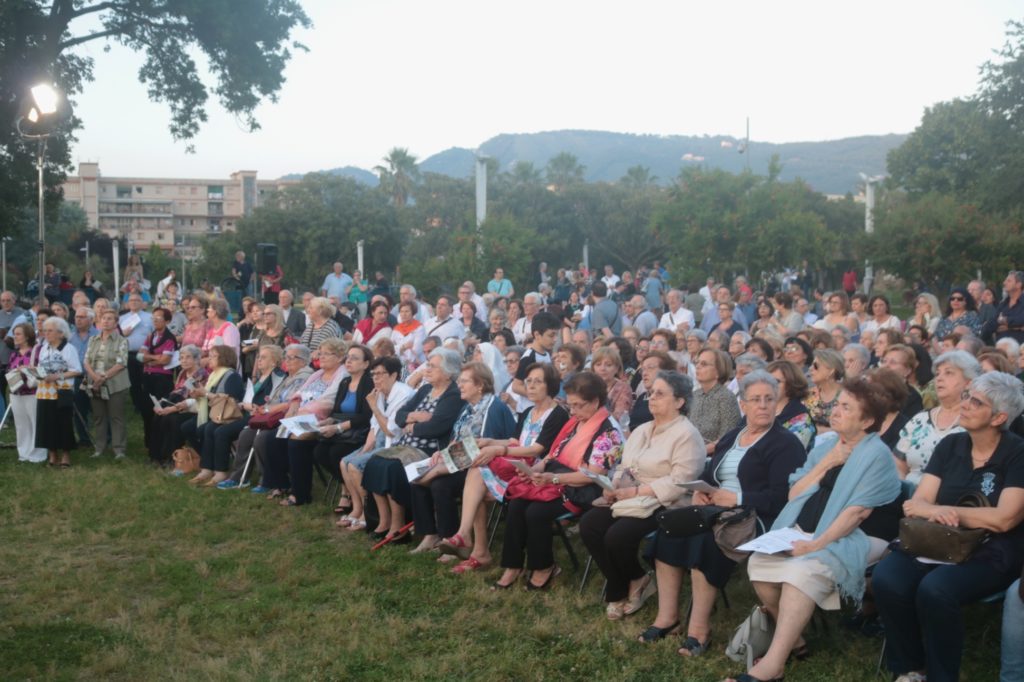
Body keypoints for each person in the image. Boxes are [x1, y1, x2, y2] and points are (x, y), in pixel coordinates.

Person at [726, 378, 900, 682]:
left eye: (846, 407)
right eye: (838, 403)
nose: (836, 410)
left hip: (857, 536)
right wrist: (827, 463)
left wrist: (817, 544)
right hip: (807, 529)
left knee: (800, 572)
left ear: (868, 420)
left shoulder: (876, 454)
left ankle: (772, 666)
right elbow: (795, 494)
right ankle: (795, 640)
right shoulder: (828, 445)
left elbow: (856, 513)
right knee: (759, 564)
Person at [873, 372, 1024, 682]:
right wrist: (935, 510)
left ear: (999, 417)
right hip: (936, 540)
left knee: (936, 589)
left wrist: (943, 510)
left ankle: (943, 676)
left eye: (976, 402)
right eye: (967, 395)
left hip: (992, 551)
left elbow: (1005, 519)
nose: (965, 404)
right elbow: (918, 503)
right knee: (886, 578)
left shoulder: (1017, 454)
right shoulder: (951, 444)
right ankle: (912, 667)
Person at [642, 371, 806, 649]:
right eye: (756, 399)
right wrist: (701, 490)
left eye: (769, 399)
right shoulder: (734, 435)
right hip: (717, 508)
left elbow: (783, 497)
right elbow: (712, 471)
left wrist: (737, 497)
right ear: (743, 404)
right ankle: (668, 618)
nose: (763, 405)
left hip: (758, 517)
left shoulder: (785, 443)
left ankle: (699, 629)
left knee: (704, 542)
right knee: (669, 531)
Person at [581, 371, 705, 619]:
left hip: (665, 503)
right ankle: (634, 580)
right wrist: (613, 486)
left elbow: (680, 482)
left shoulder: (687, 435)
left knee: (617, 535)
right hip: (631, 496)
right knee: (590, 525)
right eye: (650, 393)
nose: (652, 398)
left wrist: (635, 491)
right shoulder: (642, 430)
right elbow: (624, 467)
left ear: (680, 401)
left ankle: (620, 589)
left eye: (660, 394)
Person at [495, 371, 624, 590]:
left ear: (595, 402)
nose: (572, 411)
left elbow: (593, 476)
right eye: (571, 405)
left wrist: (552, 478)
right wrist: (538, 467)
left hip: (586, 490)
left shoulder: (609, 431)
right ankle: (513, 565)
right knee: (517, 503)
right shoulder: (576, 421)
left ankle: (544, 567)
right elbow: (554, 452)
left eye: (578, 405)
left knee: (536, 512)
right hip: (558, 480)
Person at [439, 362, 570, 570]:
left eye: (538, 382)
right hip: (516, 465)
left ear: (550, 385)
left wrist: (498, 450)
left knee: (475, 472)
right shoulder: (528, 411)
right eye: (529, 381)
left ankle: (472, 544)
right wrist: (490, 442)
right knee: (476, 469)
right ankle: (472, 545)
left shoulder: (558, 414)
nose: (531, 386)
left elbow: (536, 449)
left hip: (534, 473)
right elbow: (515, 442)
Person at [409, 361, 517, 555]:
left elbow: (480, 450)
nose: (459, 385)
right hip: (464, 463)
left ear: (480, 385)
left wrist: (444, 466)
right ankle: (431, 535)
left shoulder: (492, 408)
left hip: (488, 469)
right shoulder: (468, 407)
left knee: (439, 484)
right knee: (419, 481)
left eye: (465, 381)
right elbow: (457, 440)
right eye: (459, 381)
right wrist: (443, 453)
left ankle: (451, 541)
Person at [361, 348, 466, 544]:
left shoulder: (453, 394)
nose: (427, 369)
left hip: (430, 449)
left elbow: (437, 427)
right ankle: (385, 521)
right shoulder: (425, 389)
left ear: (448, 371)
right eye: (427, 364)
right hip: (406, 444)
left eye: (433, 366)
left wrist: (413, 427)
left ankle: (399, 526)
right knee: (375, 462)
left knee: (392, 468)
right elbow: (400, 415)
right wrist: (416, 417)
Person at [281, 344, 375, 507]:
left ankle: (350, 493)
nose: (349, 361)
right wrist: (328, 421)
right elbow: (336, 410)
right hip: (339, 429)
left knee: (335, 452)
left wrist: (337, 427)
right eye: (349, 357)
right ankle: (346, 487)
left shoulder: (368, 383)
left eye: (355, 358)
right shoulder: (345, 382)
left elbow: (366, 416)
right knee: (320, 451)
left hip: (358, 431)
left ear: (366, 364)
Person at [337, 356, 416, 529]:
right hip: (380, 439)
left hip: (397, 443)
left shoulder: (404, 394)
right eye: (374, 374)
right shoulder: (379, 392)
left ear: (394, 375)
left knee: (355, 466)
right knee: (345, 462)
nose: (376, 378)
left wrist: (373, 406)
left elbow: (390, 430)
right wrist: (365, 450)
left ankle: (368, 514)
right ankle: (357, 509)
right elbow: (374, 427)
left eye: (380, 374)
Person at [218, 344, 314, 488]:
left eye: (291, 357)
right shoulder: (290, 377)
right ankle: (239, 477)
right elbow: (274, 399)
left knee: (262, 439)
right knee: (246, 434)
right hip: (274, 416)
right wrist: (264, 408)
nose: (286, 360)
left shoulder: (304, 377)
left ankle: (267, 479)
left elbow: (290, 403)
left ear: (304, 361)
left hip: (289, 418)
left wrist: (267, 410)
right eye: (286, 357)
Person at [893, 350, 979, 488]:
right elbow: (898, 464)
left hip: (950, 500)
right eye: (938, 373)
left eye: (948, 373)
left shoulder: (975, 421)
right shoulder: (920, 419)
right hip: (907, 495)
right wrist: (903, 491)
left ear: (968, 382)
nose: (939, 378)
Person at [188, 345, 245, 486]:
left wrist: (205, 393)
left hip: (230, 415)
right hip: (216, 414)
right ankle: (207, 468)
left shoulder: (232, 376)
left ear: (224, 358)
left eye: (214, 356)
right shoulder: (213, 375)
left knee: (215, 430)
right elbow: (211, 398)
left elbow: (231, 400)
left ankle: (220, 472)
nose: (209, 359)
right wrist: (198, 396)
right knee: (205, 428)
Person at [34, 317, 83, 468]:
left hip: (62, 391)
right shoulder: (43, 348)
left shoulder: (68, 349)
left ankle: (66, 455)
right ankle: (52, 454)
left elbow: (77, 370)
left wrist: (57, 376)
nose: (46, 334)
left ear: (61, 333)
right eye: (44, 331)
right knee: (46, 423)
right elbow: (41, 367)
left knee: (63, 423)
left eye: (50, 331)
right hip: (44, 391)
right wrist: (34, 372)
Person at [7, 323, 47, 463]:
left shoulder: (38, 351)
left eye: (18, 334)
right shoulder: (13, 354)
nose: (14, 337)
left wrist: (27, 369)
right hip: (16, 393)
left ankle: (38, 454)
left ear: (27, 336)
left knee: (36, 423)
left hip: (33, 392)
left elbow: (43, 371)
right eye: (14, 334)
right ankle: (23, 453)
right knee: (21, 424)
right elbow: (9, 370)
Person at [690, 348, 742, 455]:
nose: (698, 366)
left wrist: (698, 452)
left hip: (712, 457)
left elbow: (727, 437)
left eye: (704, 364)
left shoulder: (726, 397)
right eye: (697, 363)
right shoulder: (694, 395)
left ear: (718, 371)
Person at [140, 308, 178, 450]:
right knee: (147, 410)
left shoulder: (169, 338)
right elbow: (140, 356)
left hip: (162, 379)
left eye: (159, 318)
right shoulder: (151, 336)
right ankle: (149, 444)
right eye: (153, 318)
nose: (155, 320)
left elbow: (166, 361)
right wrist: (156, 357)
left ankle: (161, 445)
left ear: (167, 321)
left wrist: (149, 358)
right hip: (148, 376)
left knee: (160, 412)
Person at [766, 360, 816, 450]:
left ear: (790, 385)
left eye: (776, 381)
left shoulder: (802, 422)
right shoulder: (757, 411)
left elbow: (785, 455)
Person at [805, 349, 844, 431]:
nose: (810, 369)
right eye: (811, 365)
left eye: (816, 366)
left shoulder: (846, 395)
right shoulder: (809, 394)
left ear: (831, 371)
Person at [203, 298, 240, 363]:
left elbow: (230, 354)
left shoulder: (229, 329)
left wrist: (207, 361)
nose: (206, 312)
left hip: (226, 371)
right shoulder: (211, 330)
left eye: (208, 310)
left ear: (214, 312)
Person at [391, 300, 426, 369]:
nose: (404, 314)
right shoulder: (396, 329)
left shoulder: (419, 328)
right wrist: (404, 347)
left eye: (407, 311)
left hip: (415, 365)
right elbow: (391, 348)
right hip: (399, 364)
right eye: (401, 311)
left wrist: (399, 350)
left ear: (413, 313)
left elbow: (417, 349)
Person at [995, 270, 1024, 343]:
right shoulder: (1003, 304)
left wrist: (1006, 321)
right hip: (1000, 346)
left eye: (1009, 281)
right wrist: (1017, 327)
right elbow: (993, 322)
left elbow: (1021, 319)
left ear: (1018, 284)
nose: (1004, 283)